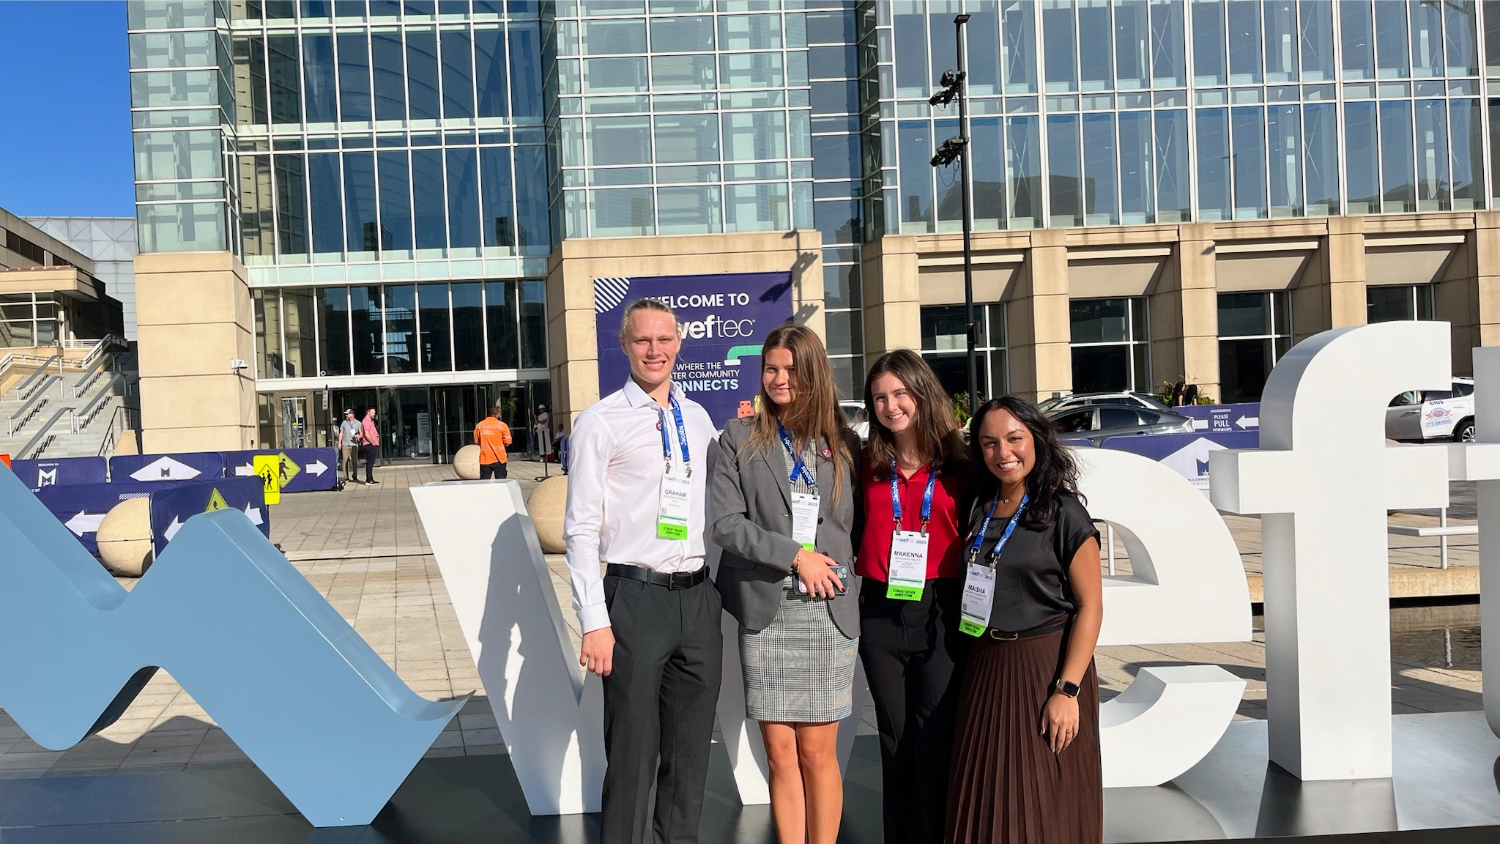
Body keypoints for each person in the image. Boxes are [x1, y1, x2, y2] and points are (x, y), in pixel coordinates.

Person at [563, 298, 721, 844]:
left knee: (690, 755)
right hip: (635, 598)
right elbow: (580, 530)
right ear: (624, 346)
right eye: (642, 341)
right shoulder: (599, 422)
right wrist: (593, 619)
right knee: (632, 755)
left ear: (679, 343)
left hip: (698, 601)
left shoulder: (699, 418)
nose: (655, 350)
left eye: (664, 339)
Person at [709, 324, 861, 844]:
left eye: (791, 370)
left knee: (819, 753)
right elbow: (726, 524)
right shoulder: (738, 438)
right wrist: (797, 556)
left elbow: (859, 527)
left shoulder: (845, 445)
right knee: (780, 754)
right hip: (767, 611)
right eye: (771, 368)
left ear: (813, 373)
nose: (779, 378)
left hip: (829, 613)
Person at [947, 396, 1104, 844]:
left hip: (1045, 667)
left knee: (1039, 800)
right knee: (984, 798)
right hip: (986, 665)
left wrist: (1067, 690)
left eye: (1015, 439)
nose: (1004, 453)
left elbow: (1090, 606)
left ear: (1036, 439)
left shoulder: (1064, 513)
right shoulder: (980, 507)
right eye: (990, 443)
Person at [856, 350, 971, 844]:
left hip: (940, 608)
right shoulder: (867, 464)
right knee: (894, 737)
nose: (891, 405)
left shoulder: (963, 464)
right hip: (880, 610)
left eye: (900, 393)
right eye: (880, 397)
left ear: (922, 392)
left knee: (934, 737)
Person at [473, 406, 513, 480]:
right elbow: (508, 441)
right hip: (499, 459)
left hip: (485, 458)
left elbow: (476, 441)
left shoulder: (479, 425)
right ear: (497, 415)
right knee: (501, 482)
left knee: (484, 483)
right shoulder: (502, 425)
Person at [338, 409, 362, 484]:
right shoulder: (344, 423)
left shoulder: (358, 423)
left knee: (354, 461)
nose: (346, 415)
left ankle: (355, 476)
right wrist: (339, 442)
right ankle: (346, 477)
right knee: (345, 460)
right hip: (345, 443)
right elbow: (341, 432)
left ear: (352, 414)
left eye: (347, 414)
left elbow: (361, 434)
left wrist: (358, 436)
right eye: (345, 414)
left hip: (354, 444)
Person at [360, 408, 381, 486]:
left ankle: (370, 478)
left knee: (371, 462)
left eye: (374, 413)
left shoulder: (370, 421)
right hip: (370, 445)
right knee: (370, 462)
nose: (374, 414)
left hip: (372, 444)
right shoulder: (366, 421)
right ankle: (369, 479)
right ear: (368, 412)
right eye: (372, 413)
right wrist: (373, 443)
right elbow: (367, 434)